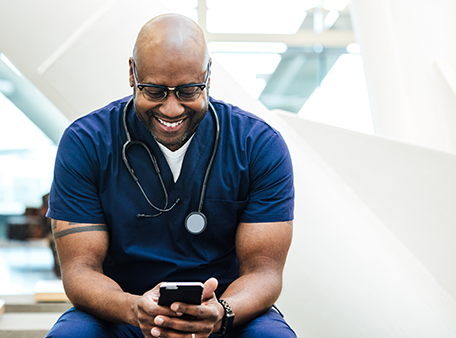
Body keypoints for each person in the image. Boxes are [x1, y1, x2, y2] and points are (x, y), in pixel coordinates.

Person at [46, 13, 296, 338]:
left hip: (222, 311)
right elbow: (80, 271)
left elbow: (264, 272)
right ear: (132, 74)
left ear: (208, 75)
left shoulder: (258, 145)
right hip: (121, 311)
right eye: (155, 91)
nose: (172, 109)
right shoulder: (86, 142)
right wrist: (133, 308)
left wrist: (221, 312)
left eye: (189, 91)